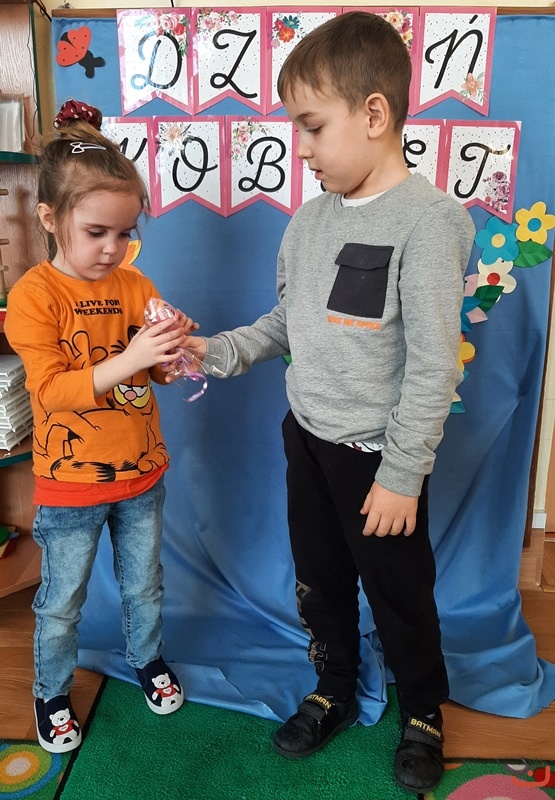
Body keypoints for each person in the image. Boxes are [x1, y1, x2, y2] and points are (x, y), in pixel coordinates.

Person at [184, 11, 475, 794]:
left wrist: (402, 474)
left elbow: (432, 364)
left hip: (378, 459)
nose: (301, 147)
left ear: (374, 114)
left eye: (311, 126)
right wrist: (212, 351)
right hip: (305, 439)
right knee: (319, 580)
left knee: (399, 592)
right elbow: (288, 321)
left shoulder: (430, 223)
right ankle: (334, 686)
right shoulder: (308, 222)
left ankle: (422, 710)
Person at [5, 99, 194, 754]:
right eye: (96, 232)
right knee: (62, 601)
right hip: (70, 486)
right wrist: (132, 358)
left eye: (125, 232)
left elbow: (155, 375)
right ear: (50, 218)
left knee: (145, 585)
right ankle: (51, 691)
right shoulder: (34, 296)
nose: (112, 248)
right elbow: (51, 393)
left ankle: (147, 658)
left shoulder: (135, 283)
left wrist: (170, 352)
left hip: (142, 475)